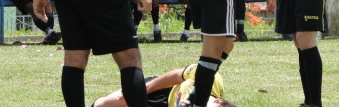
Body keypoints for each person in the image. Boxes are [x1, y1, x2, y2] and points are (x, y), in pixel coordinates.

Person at [91, 64, 236, 107]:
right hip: (164, 88)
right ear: (218, 101)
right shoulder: (211, 78)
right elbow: (175, 75)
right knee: (108, 103)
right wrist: (145, 89)